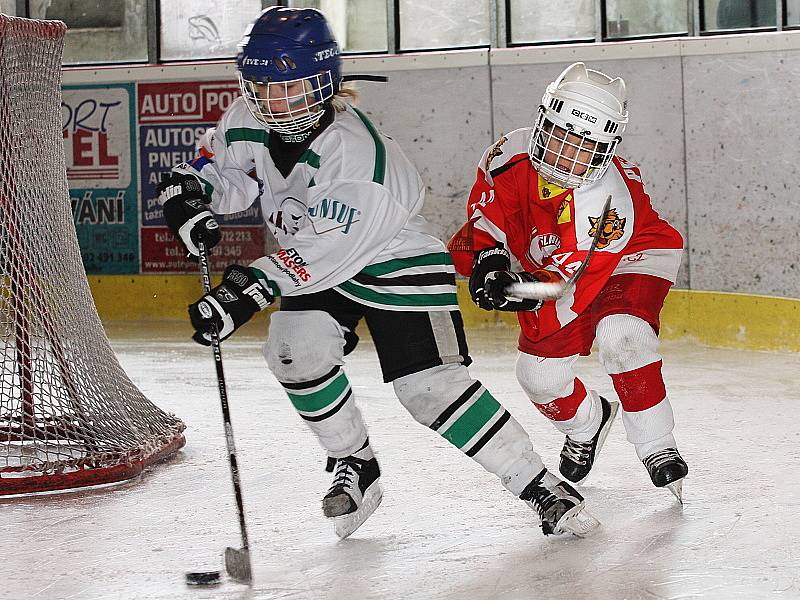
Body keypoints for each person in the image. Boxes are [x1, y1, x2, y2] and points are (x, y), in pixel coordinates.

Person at [156, 7, 599, 538]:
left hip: (394, 256)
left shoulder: (357, 158)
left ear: (323, 83)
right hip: (313, 255)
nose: (273, 102)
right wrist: (193, 193)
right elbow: (227, 170)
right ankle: (356, 465)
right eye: (262, 86)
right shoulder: (246, 116)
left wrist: (249, 289)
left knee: (429, 388)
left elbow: (323, 253)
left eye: (288, 88)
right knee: (294, 352)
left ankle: (538, 485)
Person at [448, 62, 688, 501]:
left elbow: (566, 286)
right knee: (538, 378)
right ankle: (588, 422)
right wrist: (487, 258)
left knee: (623, 334)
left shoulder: (607, 204)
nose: (566, 156)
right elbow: (487, 217)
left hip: (630, 253)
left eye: (584, 147)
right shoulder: (506, 154)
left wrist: (513, 291)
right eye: (560, 135)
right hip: (555, 264)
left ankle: (657, 443)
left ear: (606, 151)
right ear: (542, 123)